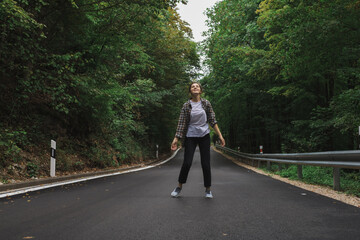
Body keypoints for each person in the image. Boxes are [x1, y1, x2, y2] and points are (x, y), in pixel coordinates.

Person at [170, 82, 225, 198]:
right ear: (190, 91)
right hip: (191, 136)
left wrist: (220, 135)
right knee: (187, 163)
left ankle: (208, 189)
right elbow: (181, 123)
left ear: (200, 90)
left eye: (197, 86)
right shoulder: (186, 106)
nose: (195, 87)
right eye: (192, 86)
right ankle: (179, 186)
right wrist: (176, 139)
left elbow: (212, 121)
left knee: (205, 163)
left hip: (204, 135)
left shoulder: (206, 103)